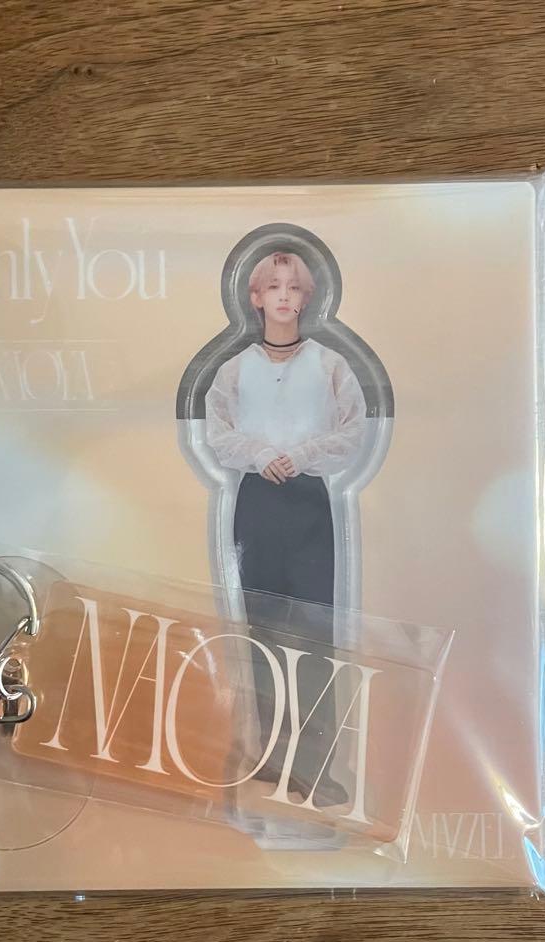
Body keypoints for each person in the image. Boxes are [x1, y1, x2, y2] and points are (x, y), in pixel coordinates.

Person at [205, 251, 365, 808]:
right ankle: (273, 761)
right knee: (263, 633)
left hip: (309, 503)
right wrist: (259, 455)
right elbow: (218, 431)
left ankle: (318, 768)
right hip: (256, 505)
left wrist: (300, 457)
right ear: (254, 297)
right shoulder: (235, 369)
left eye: (292, 287)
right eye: (272, 286)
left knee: (317, 634)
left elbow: (352, 432)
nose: (282, 296)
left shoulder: (329, 364)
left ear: (306, 298)